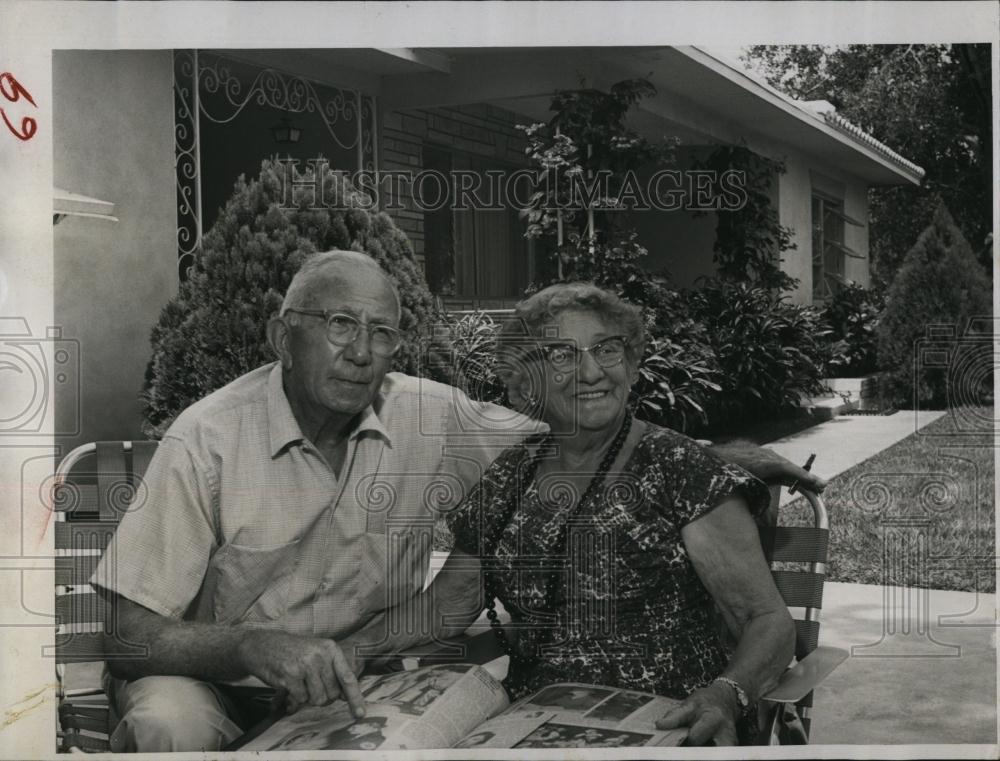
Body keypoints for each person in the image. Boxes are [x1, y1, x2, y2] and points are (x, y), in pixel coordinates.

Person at [92, 252, 822, 751]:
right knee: (172, 725)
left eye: (382, 331)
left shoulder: (436, 413)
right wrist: (266, 647)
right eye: (339, 325)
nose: (361, 350)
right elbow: (125, 636)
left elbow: (596, 435)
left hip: (642, 710)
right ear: (283, 336)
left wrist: (710, 462)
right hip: (212, 679)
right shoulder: (208, 438)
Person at [421, 282, 798, 746]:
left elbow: (768, 620)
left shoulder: (679, 468)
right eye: (561, 355)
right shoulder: (509, 475)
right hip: (531, 723)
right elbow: (443, 608)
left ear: (632, 364)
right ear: (525, 383)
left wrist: (725, 695)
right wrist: (341, 650)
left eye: (607, 349)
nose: (591, 371)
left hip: (667, 723)